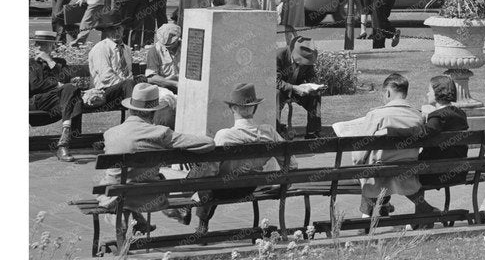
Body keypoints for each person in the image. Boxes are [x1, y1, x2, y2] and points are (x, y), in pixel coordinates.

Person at [98, 84, 216, 232]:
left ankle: (129, 220)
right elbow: (208, 143)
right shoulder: (160, 134)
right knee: (154, 178)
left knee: (120, 179)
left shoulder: (110, 133)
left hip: (113, 196)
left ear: (130, 109)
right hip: (149, 197)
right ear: (153, 112)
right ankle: (140, 221)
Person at [202, 83, 291, 233]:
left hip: (222, 189)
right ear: (254, 108)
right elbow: (291, 163)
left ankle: (202, 223)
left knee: (206, 178)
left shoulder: (224, 135)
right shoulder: (268, 132)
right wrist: (283, 185)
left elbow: (211, 170)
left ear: (233, 108)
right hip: (250, 187)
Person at [346, 73, 426, 219]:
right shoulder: (418, 116)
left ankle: (369, 213)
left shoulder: (377, 115)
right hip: (408, 172)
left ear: (388, 92)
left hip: (377, 173)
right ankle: (383, 205)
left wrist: (357, 165)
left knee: (369, 165)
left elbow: (359, 153)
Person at [413, 75, 470, 217]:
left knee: (401, 175)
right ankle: (421, 217)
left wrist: (423, 119)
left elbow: (421, 136)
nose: (427, 94)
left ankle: (424, 213)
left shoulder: (438, 117)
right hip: (458, 171)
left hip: (434, 172)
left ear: (438, 92)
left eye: (429, 91)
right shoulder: (461, 114)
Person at [30, 30, 89, 162]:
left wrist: (50, 61)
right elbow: (35, 85)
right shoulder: (30, 63)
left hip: (58, 101)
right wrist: (57, 84)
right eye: (38, 44)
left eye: (44, 45)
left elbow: (66, 78)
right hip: (37, 101)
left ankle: (63, 143)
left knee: (71, 91)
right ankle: (66, 141)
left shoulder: (59, 62)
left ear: (52, 47)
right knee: (72, 92)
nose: (39, 48)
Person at [276, 36, 324, 136]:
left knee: (315, 95)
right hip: (281, 90)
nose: (304, 64)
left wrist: (316, 85)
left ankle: (313, 132)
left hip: (298, 89)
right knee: (276, 94)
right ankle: (275, 131)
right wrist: (294, 88)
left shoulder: (307, 58)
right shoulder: (278, 56)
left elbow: (311, 76)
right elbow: (274, 81)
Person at [141, 23, 182, 128]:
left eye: (171, 44)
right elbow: (151, 78)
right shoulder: (154, 51)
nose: (167, 46)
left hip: (184, 87)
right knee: (165, 114)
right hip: (164, 89)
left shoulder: (186, 47)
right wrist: (174, 83)